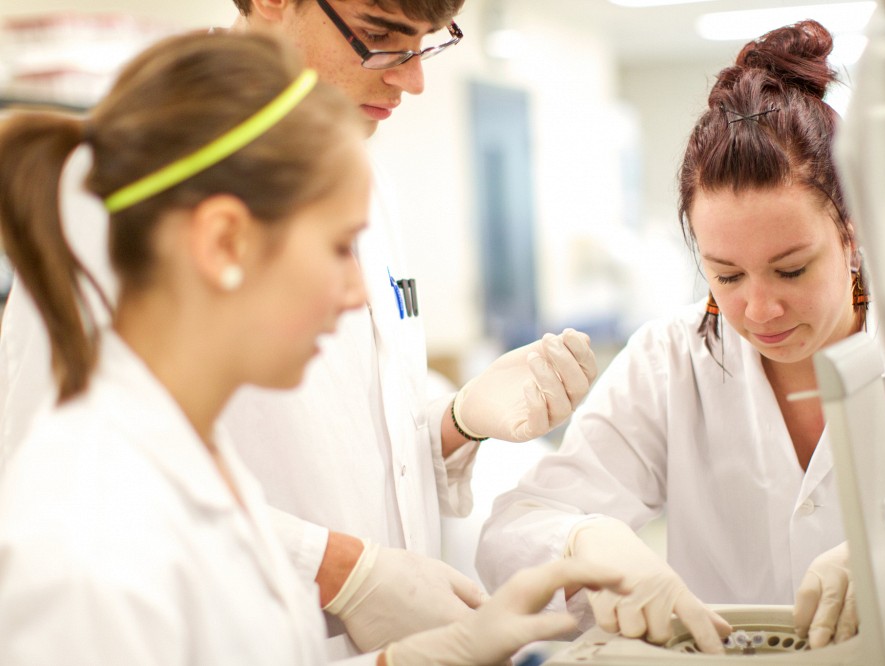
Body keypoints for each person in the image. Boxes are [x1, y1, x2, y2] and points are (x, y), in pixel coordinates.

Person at [0, 31, 625, 665]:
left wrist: (402, 659)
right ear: (224, 242)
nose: (359, 297)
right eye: (337, 248)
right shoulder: (86, 545)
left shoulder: (196, 460)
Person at [476, 19, 885, 654]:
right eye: (726, 275)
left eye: (792, 269)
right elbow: (511, 535)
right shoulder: (670, 362)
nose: (759, 309)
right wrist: (583, 541)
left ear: (853, 232)